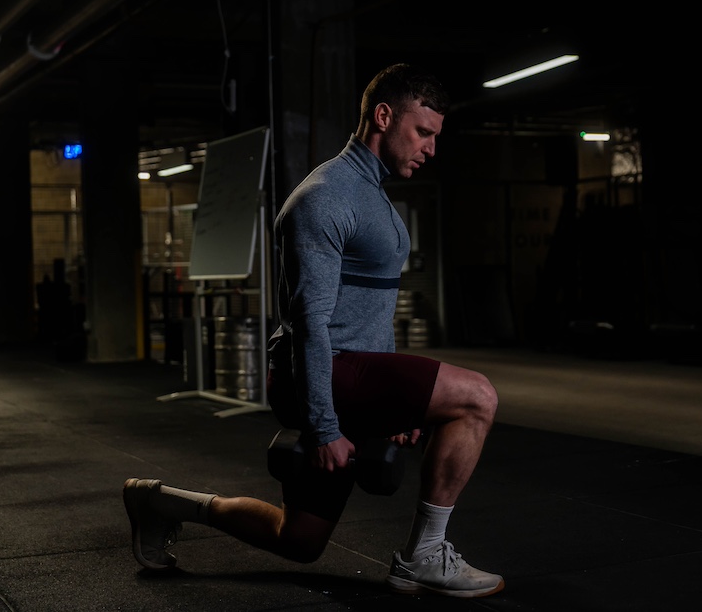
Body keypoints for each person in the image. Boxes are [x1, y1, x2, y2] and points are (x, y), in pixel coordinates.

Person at [123, 63, 504, 598]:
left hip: (348, 371)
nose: (431, 148)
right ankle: (423, 554)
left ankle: (159, 501)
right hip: (318, 370)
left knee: (298, 538)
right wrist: (324, 426)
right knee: (477, 397)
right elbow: (311, 324)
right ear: (383, 116)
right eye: (423, 132)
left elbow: (372, 313)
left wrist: (396, 408)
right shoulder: (325, 196)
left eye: (436, 136)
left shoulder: (376, 198)